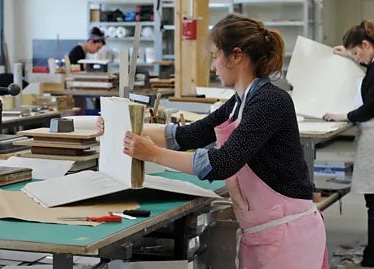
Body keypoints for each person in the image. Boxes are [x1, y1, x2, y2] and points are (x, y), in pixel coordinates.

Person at [98, 13, 328, 269]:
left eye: (215, 56)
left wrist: (152, 154)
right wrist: (122, 125)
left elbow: (221, 163)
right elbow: (187, 135)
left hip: (289, 237)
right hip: (264, 233)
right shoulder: (239, 102)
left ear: (236, 56)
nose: (212, 66)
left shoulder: (270, 102)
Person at [323, 20, 374, 268]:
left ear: (366, 44)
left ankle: (373, 260)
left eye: (357, 53)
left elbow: (370, 107)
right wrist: (348, 54)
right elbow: (373, 79)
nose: (357, 59)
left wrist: (343, 115)